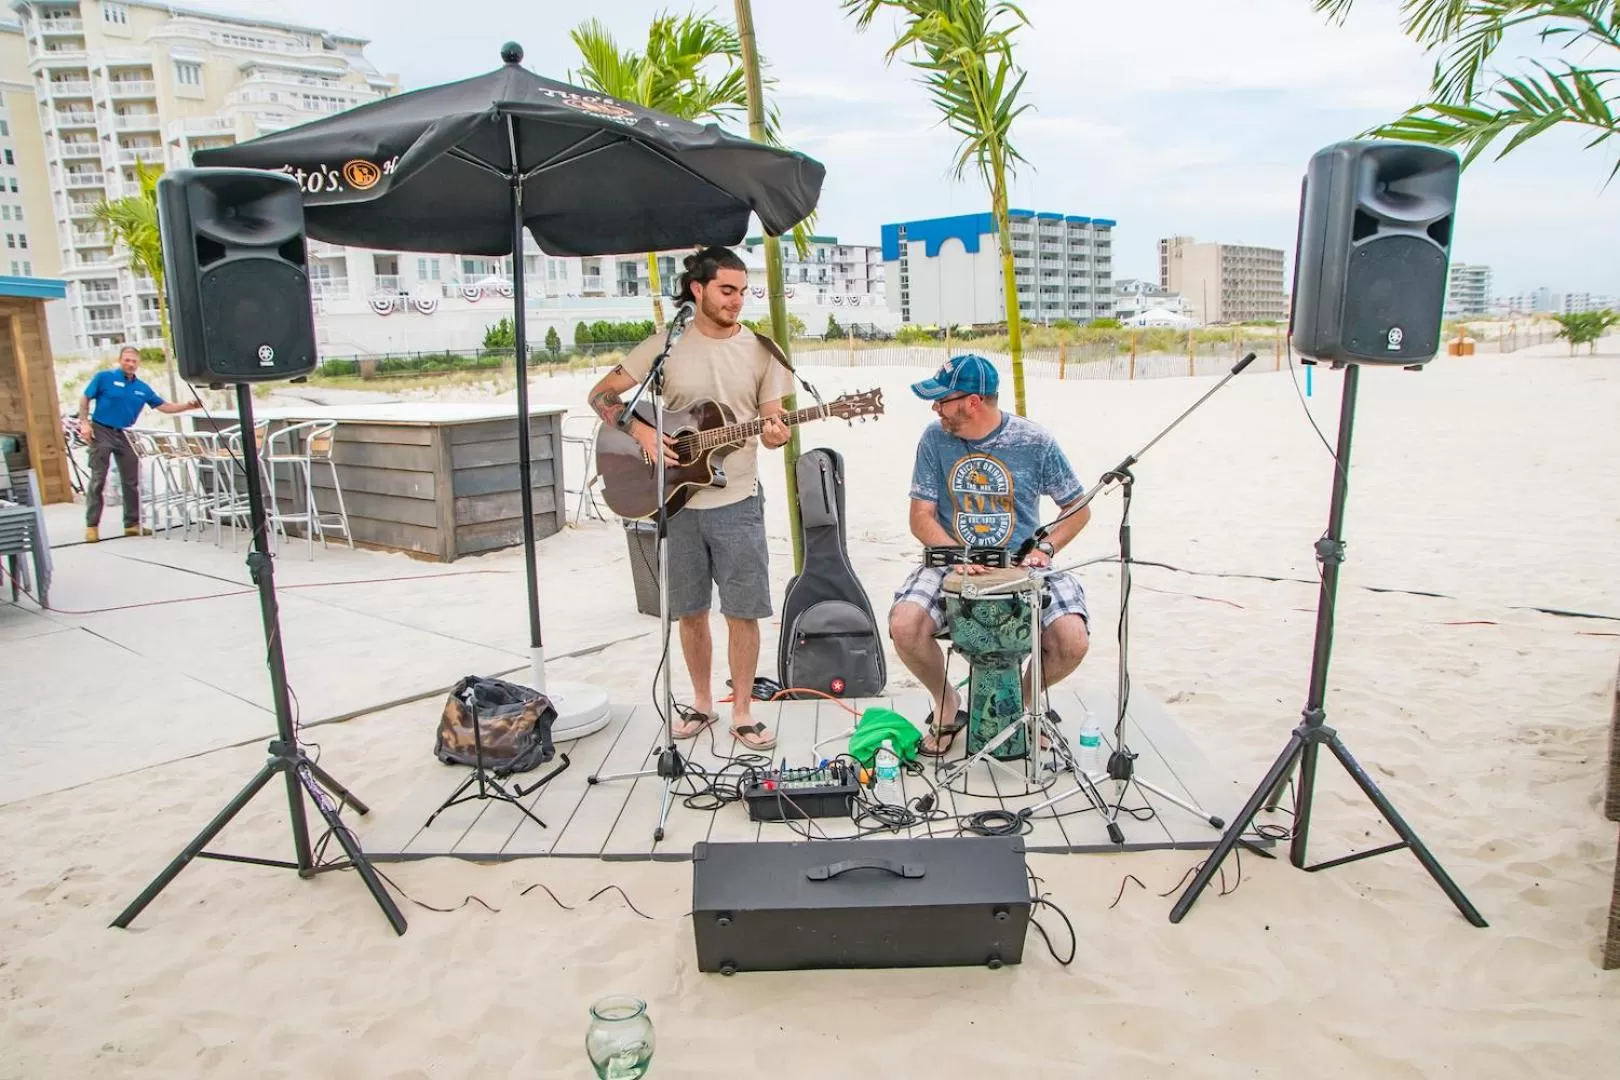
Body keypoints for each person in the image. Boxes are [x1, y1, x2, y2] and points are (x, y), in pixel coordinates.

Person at [586, 246, 792, 751]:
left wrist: (775, 433)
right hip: (675, 501)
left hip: (738, 499)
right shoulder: (665, 344)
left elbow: (771, 423)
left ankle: (741, 710)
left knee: (744, 610)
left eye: (743, 291)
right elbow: (601, 396)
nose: (737, 301)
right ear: (698, 289)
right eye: (727, 290)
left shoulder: (764, 350)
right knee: (690, 610)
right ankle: (702, 704)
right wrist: (643, 433)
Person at [888, 353, 1093, 756]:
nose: (935, 409)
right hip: (951, 559)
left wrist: (1046, 548)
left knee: (1072, 640)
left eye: (943, 400)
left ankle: (1025, 705)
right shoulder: (934, 438)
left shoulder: (1035, 441)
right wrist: (953, 551)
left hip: (1022, 563)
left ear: (973, 402)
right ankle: (947, 706)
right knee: (904, 625)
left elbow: (1079, 508)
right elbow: (920, 516)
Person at [78, 346, 202, 543]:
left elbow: (164, 406)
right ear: (120, 360)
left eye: (134, 361)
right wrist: (84, 422)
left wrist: (187, 406)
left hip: (126, 433)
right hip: (101, 429)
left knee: (131, 480)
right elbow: (85, 397)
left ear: (138, 364)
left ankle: (131, 524)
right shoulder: (104, 377)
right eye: (127, 360)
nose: (130, 364)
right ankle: (92, 525)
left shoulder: (142, 388)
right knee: (98, 479)